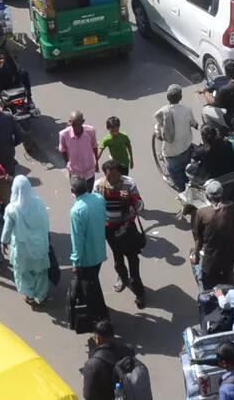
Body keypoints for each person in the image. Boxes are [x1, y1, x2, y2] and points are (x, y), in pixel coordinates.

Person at [96, 159, 146, 308]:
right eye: (109, 176)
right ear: (105, 174)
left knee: (133, 259)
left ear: (121, 174)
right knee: (117, 257)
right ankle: (122, 277)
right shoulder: (99, 186)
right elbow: (94, 206)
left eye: (116, 176)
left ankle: (139, 291)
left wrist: (130, 199)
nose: (113, 180)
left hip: (127, 228)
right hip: (109, 229)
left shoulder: (129, 184)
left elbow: (141, 206)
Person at [1, 175, 55, 308]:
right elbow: (45, 223)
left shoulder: (12, 209)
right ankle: (42, 296)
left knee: (23, 272)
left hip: (22, 248)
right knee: (41, 272)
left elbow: (7, 229)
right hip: (39, 245)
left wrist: (4, 242)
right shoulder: (39, 203)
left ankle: (29, 296)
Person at [68, 175, 110, 325]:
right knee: (93, 283)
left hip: (86, 258)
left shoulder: (76, 211)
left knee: (91, 289)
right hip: (99, 251)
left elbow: (77, 240)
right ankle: (100, 315)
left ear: (73, 190)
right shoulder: (98, 199)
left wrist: (76, 262)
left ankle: (101, 318)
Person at [192, 178, 234, 289]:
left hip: (211, 262)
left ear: (208, 196)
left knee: (207, 288)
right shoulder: (231, 207)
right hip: (230, 258)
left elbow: (198, 238)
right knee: (231, 282)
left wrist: (195, 254)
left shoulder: (201, 213)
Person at [155, 83, 199, 191]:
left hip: (171, 152)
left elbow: (158, 119)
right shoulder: (187, 110)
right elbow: (194, 124)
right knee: (188, 167)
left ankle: (182, 191)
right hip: (185, 146)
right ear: (180, 97)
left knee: (175, 173)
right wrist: (195, 125)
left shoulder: (163, 111)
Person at [79, 319, 135, 400]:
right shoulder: (128, 351)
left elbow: (88, 395)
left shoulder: (92, 364)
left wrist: (85, 379)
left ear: (98, 339)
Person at [59, 110, 101, 188]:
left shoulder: (90, 131)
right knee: (77, 193)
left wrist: (97, 163)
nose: (76, 127)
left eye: (78, 124)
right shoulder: (63, 135)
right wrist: (68, 164)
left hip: (89, 169)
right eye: (74, 124)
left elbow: (94, 146)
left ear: (83, 121)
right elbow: (63, 150)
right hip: (75, 172)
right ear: (70, 122)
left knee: (89, 192)